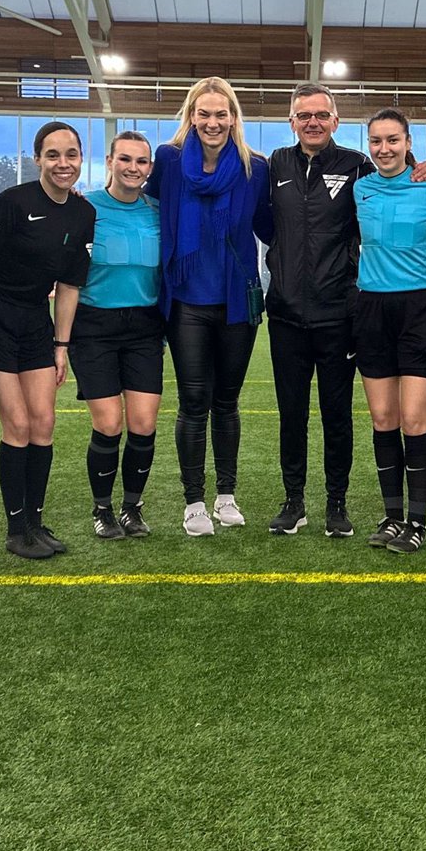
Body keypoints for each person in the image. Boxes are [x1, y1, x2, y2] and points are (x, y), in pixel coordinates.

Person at [264, 82, 426, 538]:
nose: (313, 122)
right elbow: (264, 224)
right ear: (292, 122)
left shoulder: (358, 168)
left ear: (335, 121)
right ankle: (293, 500)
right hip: (285, 311)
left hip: (340, 312)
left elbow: (406, 202)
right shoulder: (275, 166)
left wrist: (424, 170)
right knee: (291, 413)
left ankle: (336, 504)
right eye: (304, 115)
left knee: (337, 414)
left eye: (321, 114)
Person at [145, 77, 273, 536]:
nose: (213, 122)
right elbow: (144, 205)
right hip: (186, 299)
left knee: (227, 402)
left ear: (234, 118)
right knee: (193, 402)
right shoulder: (170, 160)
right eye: (205, 113)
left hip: (237, 301)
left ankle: (226, 496)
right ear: (191, 116)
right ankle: (194, 502)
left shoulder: (253, 168)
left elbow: (271, 226)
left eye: (222, 114)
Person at [0, 122, 95, 559]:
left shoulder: (83, 214)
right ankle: (15, 530)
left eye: (71, 154)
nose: (62, 164)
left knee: (44, 425)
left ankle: (34, 520)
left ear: (81, 159)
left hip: (35, 323)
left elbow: (69, 285)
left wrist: (61, 346)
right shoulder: (11, 204)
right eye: (53, 155)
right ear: (38, 160)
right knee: (18, 425)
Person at [353, 108, 426, 553]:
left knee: (414, 420)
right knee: (383, 419)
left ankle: (417, 521)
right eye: (376, 141)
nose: (384, 149)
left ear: (408, 141)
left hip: (418, 308)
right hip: (370, 308)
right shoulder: (361, 189)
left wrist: (413, 247)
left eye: (392, 140)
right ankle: (392, 516)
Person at [70, 131, 162, 540]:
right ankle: (102, 509)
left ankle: (131, 507)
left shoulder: (158, 211)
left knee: (143, 423)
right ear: (110, 161)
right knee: (109, 424)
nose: (133, 168)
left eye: (141, 162)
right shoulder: (84, 207)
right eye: (125, 159)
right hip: (93, 327)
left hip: (144, 327)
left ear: (150, 169)